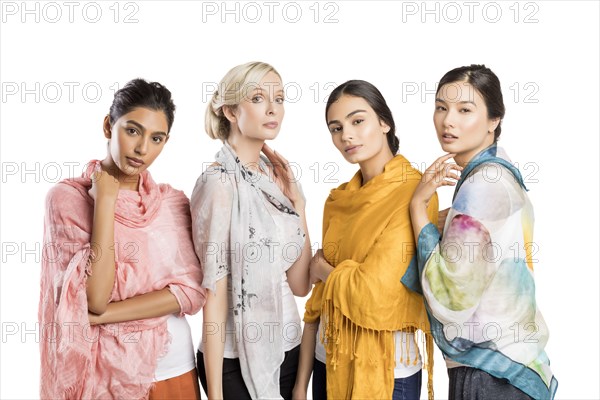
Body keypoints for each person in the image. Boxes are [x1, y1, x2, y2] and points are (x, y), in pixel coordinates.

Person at [39, 78, 206, 399]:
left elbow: (191, 294)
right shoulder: (66, 199)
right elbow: (95, 298)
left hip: (176, 368)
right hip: (108, 375)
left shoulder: (172, 203)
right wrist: (105, 201)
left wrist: (108, 315)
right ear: (108, 126)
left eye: (156, 138)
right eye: (132, 131)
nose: (143, 148)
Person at [409, 64, 558, 399]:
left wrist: (418, 208)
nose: (449, 121)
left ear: (494, 120)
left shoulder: (481, 186)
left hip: (492, 373)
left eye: (465, 110)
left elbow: (451, 298)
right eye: (441, 108)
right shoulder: (499, 174)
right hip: (511, 369)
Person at [294, 80, 438, 400]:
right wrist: (300, 384)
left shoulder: (415, 193)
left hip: (389, 373)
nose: (346, 135)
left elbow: (374, 296)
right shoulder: (339, 200)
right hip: (325, 362)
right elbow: (317, 300)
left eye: (358, 121)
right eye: (336, 127)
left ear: (384, 122)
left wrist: (325, 269)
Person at [191, 61, 312, 400]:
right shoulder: (217, 184)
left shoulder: (276, 178)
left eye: (280, 97)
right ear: (230, 110)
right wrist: (214, 395)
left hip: (289, 349)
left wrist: (299, 205)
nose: (274, 108)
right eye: (258, 98)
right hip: (233, 360)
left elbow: (300, 285)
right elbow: (213, 295)